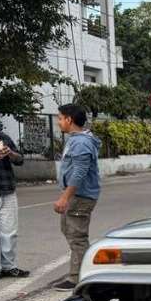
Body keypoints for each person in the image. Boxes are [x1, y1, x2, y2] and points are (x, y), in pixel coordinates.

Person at [52, 104, 101, 291]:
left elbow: (80, 172)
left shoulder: (81, 142)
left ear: (69, 120)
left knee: (77, 236)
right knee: (70, 231)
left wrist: (65, 197)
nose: (58, 122)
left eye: (60, 118)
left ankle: (78, 278)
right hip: (77, 195)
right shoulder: (77, 139)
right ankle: (81, 271)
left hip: (80, 196)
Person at [0, 104, 30, 283]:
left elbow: (20, 160)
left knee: (9, 232)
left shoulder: (3, 137)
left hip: (7, 190)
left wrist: (10, 153)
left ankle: (9, 266)